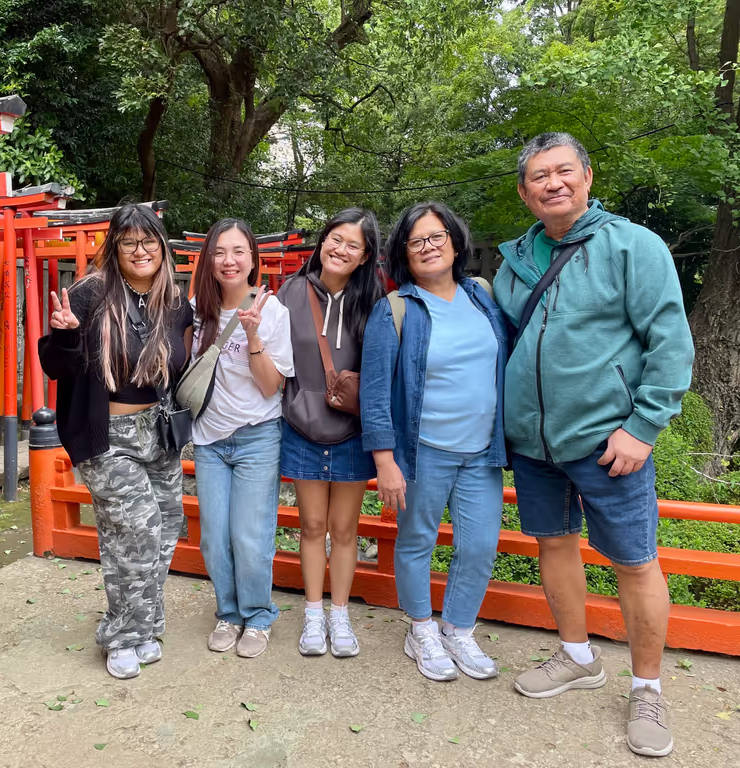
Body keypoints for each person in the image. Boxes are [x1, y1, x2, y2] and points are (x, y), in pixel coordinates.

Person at [495, 132, 693, 757]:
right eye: (538, 177)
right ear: (525, 194)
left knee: (634, 561)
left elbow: (669, 341)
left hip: (610, 441)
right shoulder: (515, 260)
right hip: (533, 441)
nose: (553, 183)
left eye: (564, 171)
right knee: (554, 544)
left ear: (586, 173)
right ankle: (578, 655)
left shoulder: (633, 245)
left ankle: (648, 687)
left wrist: (643, 427)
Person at [37, 204, 193, 681]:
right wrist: (65, 339)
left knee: (164, 529)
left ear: (162, 247)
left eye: (149, 242)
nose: (140, 251)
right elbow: (58, 369)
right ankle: (122, 635)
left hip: (159, 432)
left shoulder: (174, 300)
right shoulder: (89, 295)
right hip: (108, 435)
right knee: (137, 532)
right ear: (115, 247)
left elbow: (180, 365)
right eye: (129, 242)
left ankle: (144, 627)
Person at [361, 201, 508, 682]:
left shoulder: (483, 295)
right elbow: (376, 390)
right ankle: (420, 628)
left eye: (436, 236)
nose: (428, 247)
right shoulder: (397, 308)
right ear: (404, 252)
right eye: (416, 240)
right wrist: (386, 459)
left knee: (481, 544)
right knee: (417, 540)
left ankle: (459, 629)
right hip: (424, 451)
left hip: (482, 450)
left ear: (455, 240)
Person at [276, 208, 384, 658]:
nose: (340, 249)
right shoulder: (291, 292)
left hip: (354, 431)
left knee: (344, 528)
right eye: (335, 239)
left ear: (364, 256)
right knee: (312, 525)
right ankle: (313, 614)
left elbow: (381, 370)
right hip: (301, 425)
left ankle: (340, 615)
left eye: (352, 244)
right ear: (322, 242)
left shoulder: (374, 299)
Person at [191, 218, 295, 659]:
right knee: (214, 536)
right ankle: (228, 612)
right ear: (209, 259)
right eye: (220, 251)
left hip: (256, 437)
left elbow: (271, 386)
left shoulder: (272, 310)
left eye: (238, 251)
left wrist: (252, 334)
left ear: (253, 258)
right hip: (209, 439)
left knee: (250, 535)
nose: (228, 260)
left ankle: (258, 615)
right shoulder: (196, 308)